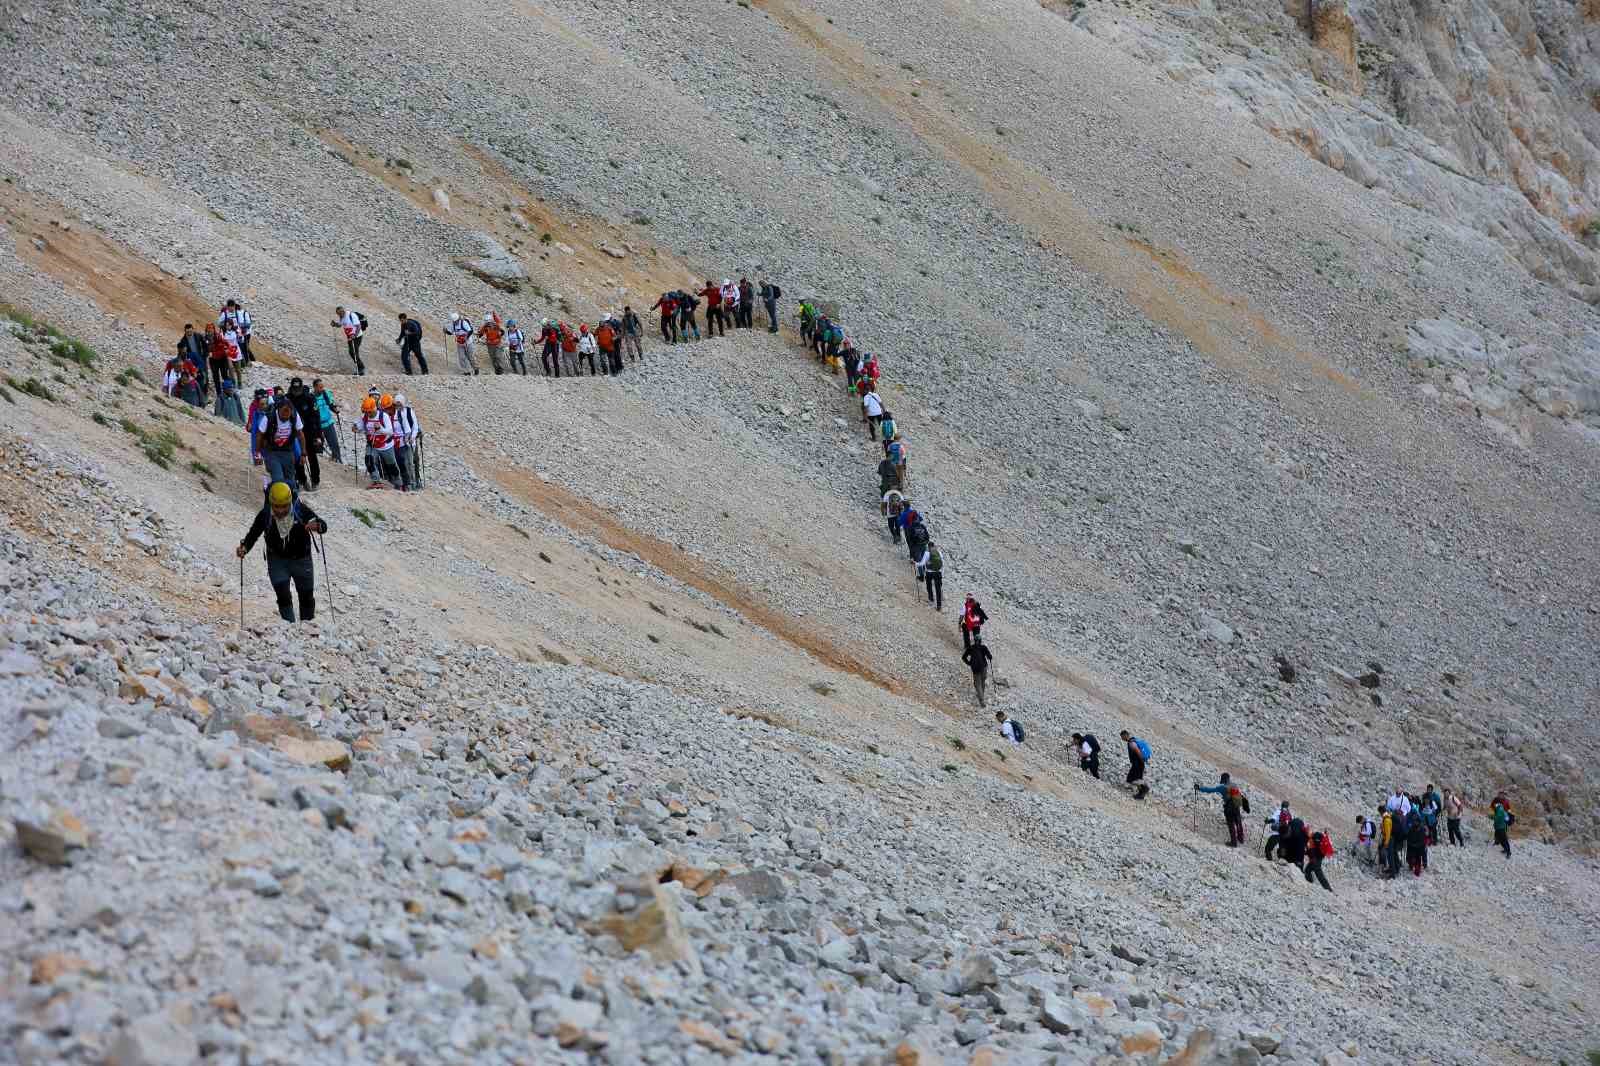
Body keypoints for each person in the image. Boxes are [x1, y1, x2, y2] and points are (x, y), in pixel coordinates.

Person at [237, 482, 326, 623]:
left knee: (306, 596)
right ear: (271, 502)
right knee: (282, 594)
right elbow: (253, 534)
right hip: (277, 560)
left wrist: (318, 526)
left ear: (290, 502)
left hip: (301, 559)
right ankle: (289, 627)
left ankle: (308, 629)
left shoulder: (300, 510)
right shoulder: (265, 514)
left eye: (284, 506)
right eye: (276, 506)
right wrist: (245, 548)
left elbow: (322, 525)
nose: (280, 510)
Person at [254, 394, 306, 500]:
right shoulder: (269, 417)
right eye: (283, 415)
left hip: (287, 451)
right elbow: (259, 434)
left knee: (290, 482)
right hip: (271, 451)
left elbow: (300, 435)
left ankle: (291, 503)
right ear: (278, 410)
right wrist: (257, 452)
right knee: (279, 480)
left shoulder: (294, 417)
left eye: (287, 415)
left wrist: (303, 454)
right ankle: (274, 501)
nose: (285, 418)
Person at [358, 396, 404, 490]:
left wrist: (380, 429)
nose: (368, 413)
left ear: (374, 408)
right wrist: (356, 428)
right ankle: (376, 481)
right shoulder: (365, 417)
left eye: (369, 411)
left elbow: (390, 432)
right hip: (372, 444)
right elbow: (361, 425)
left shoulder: (383, 416)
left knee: (391, 465)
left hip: (386, 446)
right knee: (369, 460)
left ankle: (398, 483)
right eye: (366, 411)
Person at [287, 378, 323, 491]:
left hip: (309, 431)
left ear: (302, 388)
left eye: (298, 389)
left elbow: (316, 417)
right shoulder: (288, 398)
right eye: (294, 389)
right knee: (298, 457)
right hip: (294, 432)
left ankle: (315, 481)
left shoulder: (309, 398)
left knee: (312, 457)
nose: (296, 391)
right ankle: (302, 480)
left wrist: (318, 435)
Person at [1194, 773, 1249, 847]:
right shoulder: (1234, 785)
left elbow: (1210, 790)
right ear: (1228, 778)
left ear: (1223, 780)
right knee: (1238, 822)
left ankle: (1234, 842)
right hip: (1236, 806)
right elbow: (1239, 795)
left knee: (1231, 824)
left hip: (1229, 808)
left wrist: (1199, 788)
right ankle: (1241, 838)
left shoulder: (1223, 787)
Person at [393, 394, 422, 489]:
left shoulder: (409, 411)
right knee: (405, 462)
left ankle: (416, 481)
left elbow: (415, 427)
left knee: (414, 461)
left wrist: (412, 437)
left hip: (410, 441)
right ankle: (407, 483)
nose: (398, 406)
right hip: (401, 443)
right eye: (396, 404)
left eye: (399, 404)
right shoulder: (394, 413)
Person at [311, 380, 341, 465]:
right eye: (320, 387)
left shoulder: (326, 394)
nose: (322, 389)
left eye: (322, 387)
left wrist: (335, 410)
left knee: (334, 444)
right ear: (315, 387)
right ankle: (322, 464)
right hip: (318, 426)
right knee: (318, 445)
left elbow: (331, 404)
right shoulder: (311, 397)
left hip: (329, 423)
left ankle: (338, 461)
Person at [332, 306, 366, 374]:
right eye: (338, 314)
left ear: (343, 311)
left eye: (341, 312)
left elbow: (358, 326)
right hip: (350, 337)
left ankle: (361, 369)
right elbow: (340, 325)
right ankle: (360, 368)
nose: (340, 314)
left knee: (353, 352)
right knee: (352, 352)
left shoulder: (351, 315)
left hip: (357, 336)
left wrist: (355, 335)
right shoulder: (342, 317)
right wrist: (335, 324)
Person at [961, 634, 992, 708]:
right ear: (980, 640)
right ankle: (982, 695)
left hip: (975, 668)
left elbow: (963, 657)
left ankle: (981, 700)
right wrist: (989, 657)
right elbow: (989, 656)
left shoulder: (970, 648)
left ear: (974, 640)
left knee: (977, 684)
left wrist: (969, 663)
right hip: (983, 667)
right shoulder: (983, 647)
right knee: (982, 681)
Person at [220, 299, 255, 365]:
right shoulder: (228, 313)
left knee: (244, 348)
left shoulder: (243, 313)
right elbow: (220, 323)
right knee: (239, 347)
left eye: (235, 306)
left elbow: (247, 324)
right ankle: (241, 362)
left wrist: (239, 327)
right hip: (235, 333)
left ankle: (246, 362)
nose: (235, 308)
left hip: (244, 333)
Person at [1120, 730, 1149, 799]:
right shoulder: (1134, 740)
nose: (1122, 739)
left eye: (1122, 737)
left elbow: (1138, 751)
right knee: (1133, 778)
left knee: (1135, 779)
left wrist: (1142, 760)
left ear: (1125, 735)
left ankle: (1143, 790)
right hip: (1138, 764)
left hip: (1137, 764)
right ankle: (1141, 791)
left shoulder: (1131, 743)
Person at [918, 540, 944, 610]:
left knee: (929, 587)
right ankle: (939, 605)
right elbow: (942, 563)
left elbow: (922, 563)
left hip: (929, 573)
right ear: (934, 546)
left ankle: (931, 600)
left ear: (928, 546)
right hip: (938, 572)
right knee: (938, 588)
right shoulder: (939, 552)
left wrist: (915, 563)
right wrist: (941, 572)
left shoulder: (927, 553)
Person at [1406, 807, 1428, 876]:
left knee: (1418, 858)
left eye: (1416, 821)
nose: (1415, 822)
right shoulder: (1411, 828)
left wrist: (1415, 845)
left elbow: (1423, 840)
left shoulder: (1421, 829)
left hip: (1418, 847)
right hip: (1413, 846)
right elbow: (1408, 837)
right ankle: (1412, 865)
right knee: (1411, 857)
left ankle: (1421, 865)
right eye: (1414, 821)